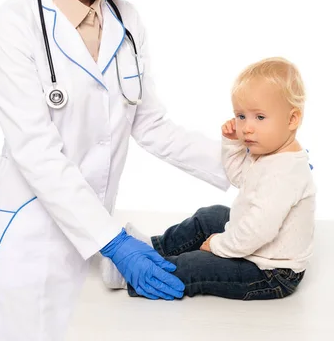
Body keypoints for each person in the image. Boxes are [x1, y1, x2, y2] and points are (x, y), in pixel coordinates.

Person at [0, 0, 230, 341]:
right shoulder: (15, 25)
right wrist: (113, 242)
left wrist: (249, 164)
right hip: (27, 252)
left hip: (92, 246)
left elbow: (152, 126)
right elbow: (38, 155)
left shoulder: (127, 22)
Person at [102, 57, 316, 300]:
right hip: (257, 246)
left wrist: (218, 245)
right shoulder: (271, 152)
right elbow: (238, 176)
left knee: (197, 265)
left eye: (259, 117)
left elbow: (257, 231)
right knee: (209, 216)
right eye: (241, 116)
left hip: (270, 270)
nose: (246, 128)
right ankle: (155, 248)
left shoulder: (284, 174)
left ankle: (135, 275)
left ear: (292, 119)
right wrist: (233, 143)